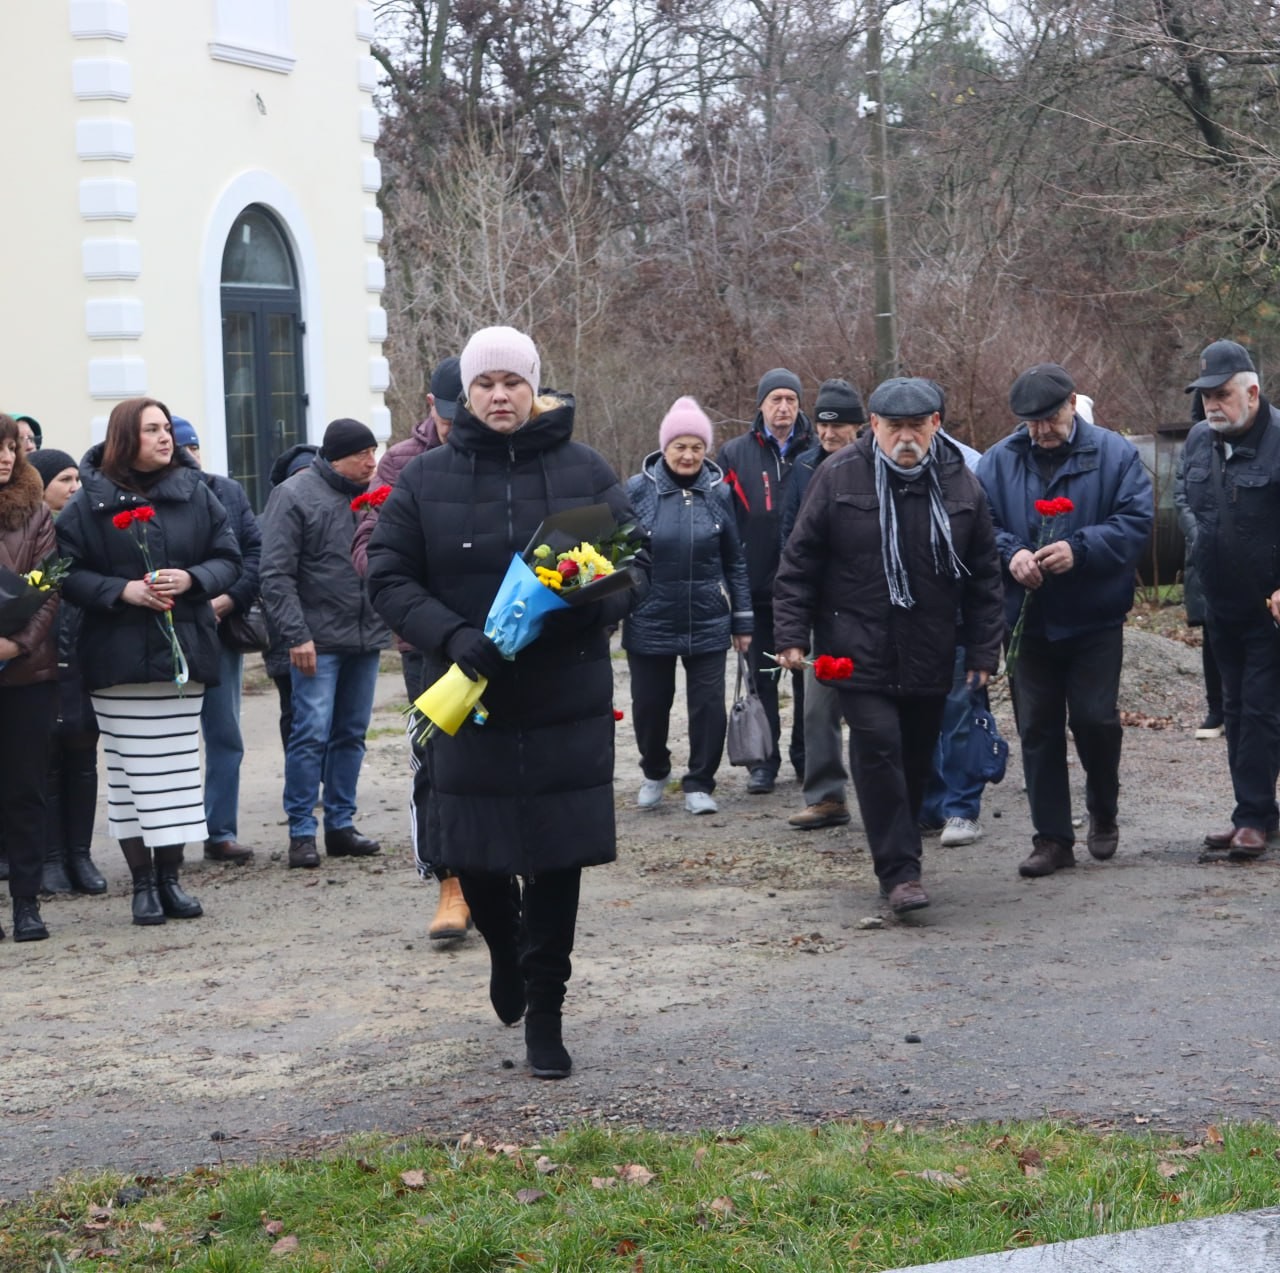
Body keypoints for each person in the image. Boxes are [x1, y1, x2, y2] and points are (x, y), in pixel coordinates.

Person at [366, 325, 648, 1079]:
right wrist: (453, 638)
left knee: (557, 858)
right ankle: (504, 942)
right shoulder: (424, 480)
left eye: (512, 382)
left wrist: (587, 603)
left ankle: (545, 1013)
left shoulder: (585, 469)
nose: (498, 395)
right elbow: (388, 576)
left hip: (563, 693)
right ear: (464, 392)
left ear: (534, 389)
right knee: (474, 849)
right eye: (484, 383)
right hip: (468, 695)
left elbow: (634, 559)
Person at [773, 377, 1004, 913]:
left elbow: (985, 577)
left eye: (916, 426)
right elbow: (799, 563)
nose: (905, 437)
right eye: (893, 426)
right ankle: (899, 872)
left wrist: (985, 650)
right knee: (877, 748)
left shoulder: (961, 483)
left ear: (935, 426)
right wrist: (789, 634)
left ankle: (901, 855)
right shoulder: (837, 476)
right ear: (873, 425)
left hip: (930, 648)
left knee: (917, 758)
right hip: (856, 646)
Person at [56, 397, 241, 925]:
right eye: (153, 430)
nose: (167, 439)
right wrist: (122, 591)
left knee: (177, 772)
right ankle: (142, 884)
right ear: (124, 439)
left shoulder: (197, 493)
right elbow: (63, 573)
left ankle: (171, 879)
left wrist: (193, 579)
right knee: (132, 775)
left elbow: (230, 558)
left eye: (167, 429)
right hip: (116, 662)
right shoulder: (88, 501)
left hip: (183, 656)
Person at [978, 363, 1153, 878]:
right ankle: (1052, 838)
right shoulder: (996, 462)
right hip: (1028, 624)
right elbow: (979, 524)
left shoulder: (1115, 453)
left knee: (1096, 721)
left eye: (1050, 419)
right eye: (1031, 422)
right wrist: (1011, 554)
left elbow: (1135, 524)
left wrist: (1080, 548)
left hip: (1094, 618)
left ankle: (1103, 807)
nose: (1041, 431)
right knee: (1038, 728)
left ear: (1073, 404)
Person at [352, 356, 473, 941]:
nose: (454, 425)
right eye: (446, 415)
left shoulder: (511, 455)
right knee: (437, 761)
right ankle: (449, 882)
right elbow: (368, 550)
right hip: (425, 641)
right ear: (432, 405)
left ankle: (501, 877)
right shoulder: (400, 464)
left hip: (498, 636)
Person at [260, 418, 390, 868]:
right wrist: (296, 635)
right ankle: (301, 831)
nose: (371, 461)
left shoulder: (376, 496)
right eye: (361, 454)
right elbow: (275, 573)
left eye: (374, 452)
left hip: (365, 635)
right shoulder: (294, 495)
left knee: (351, 734)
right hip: (316, 640)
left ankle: (340, 824)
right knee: (310, 733)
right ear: (337, 457)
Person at [624, 396, 752, 815]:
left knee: (707, 708)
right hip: (650, 618)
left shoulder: (720, 493)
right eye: (680, 446)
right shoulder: (637, 490)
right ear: (665, 447)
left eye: (697, 447)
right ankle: (655, 771)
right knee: (649, 707)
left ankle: (700, 782)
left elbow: (735, 560)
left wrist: (742, 619)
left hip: (708, 620)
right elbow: (619, 557)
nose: (688, 455)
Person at [1179, 340, 1280, 860]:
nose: (1211, 406)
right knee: (1236, 710)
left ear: (1252, 392)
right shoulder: (1199, 440)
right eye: (1205, 397)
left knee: (1262, 710)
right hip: (1221, 603)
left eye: (1221, 395)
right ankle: (1260, 810)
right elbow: (1186, 499)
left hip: (1271, 608)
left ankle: (1252, 818)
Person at [717, 369, 814, 793]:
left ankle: (808, 759)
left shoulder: (816, 450)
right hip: (755, 586)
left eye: (791, 399)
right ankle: (765, 762)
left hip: (807, 588)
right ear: (760, 404)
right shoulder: (735, 454)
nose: (783, 407)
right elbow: (721, 518)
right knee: (764, 678)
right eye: (775, 399)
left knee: (809, 679)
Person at [171, 417, 263, 864]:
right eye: (178, 446)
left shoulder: (227, 492)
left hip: (219, 632)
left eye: (192, 445)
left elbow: (254, 555)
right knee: (170, 736)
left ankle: (219, 829)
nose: (188, 454)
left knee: (225, 732)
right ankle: (166, 834)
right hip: (163, 633)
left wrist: (225, 602)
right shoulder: (144, 498)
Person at [780, 378, 865, 830]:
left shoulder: (875, 463)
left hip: (870, 608)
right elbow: (791, 540)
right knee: (817, 708)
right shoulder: (803, 468)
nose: (830, 435)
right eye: (824, 426)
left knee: (876, 708)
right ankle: (827, 797)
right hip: (822, 609)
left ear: (860, 426)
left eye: (840, 427)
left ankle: (897, 794)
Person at [28, 448, 108, 897]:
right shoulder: (30, 534)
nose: (75, 488)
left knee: (82, 758)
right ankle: (51, 858)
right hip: (39, 658)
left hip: (83, 654)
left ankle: (80, 854)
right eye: (64, 480)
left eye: (78, 479)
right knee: (48, 762)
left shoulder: (84, 529)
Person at [0, 416, 61, 939]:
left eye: (10, 446)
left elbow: (48, 586)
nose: (4, 455)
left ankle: (26, 904)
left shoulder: (36, 514)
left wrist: (16, 643)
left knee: (25, 791)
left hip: (26, 674)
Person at [261, 443, 319, 749]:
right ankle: (299, 776)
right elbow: (269, 578)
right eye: (299, 475)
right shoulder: (269, 519)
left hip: (325, 632)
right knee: (293, 708)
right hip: (283, 633)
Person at [1173, 415, 1224, 741]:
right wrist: (1201, 537)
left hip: (1254, 556)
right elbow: (1181, 495)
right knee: (1213, 634)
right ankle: (1217, 710)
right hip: (1205, 554)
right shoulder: (1197, 439)